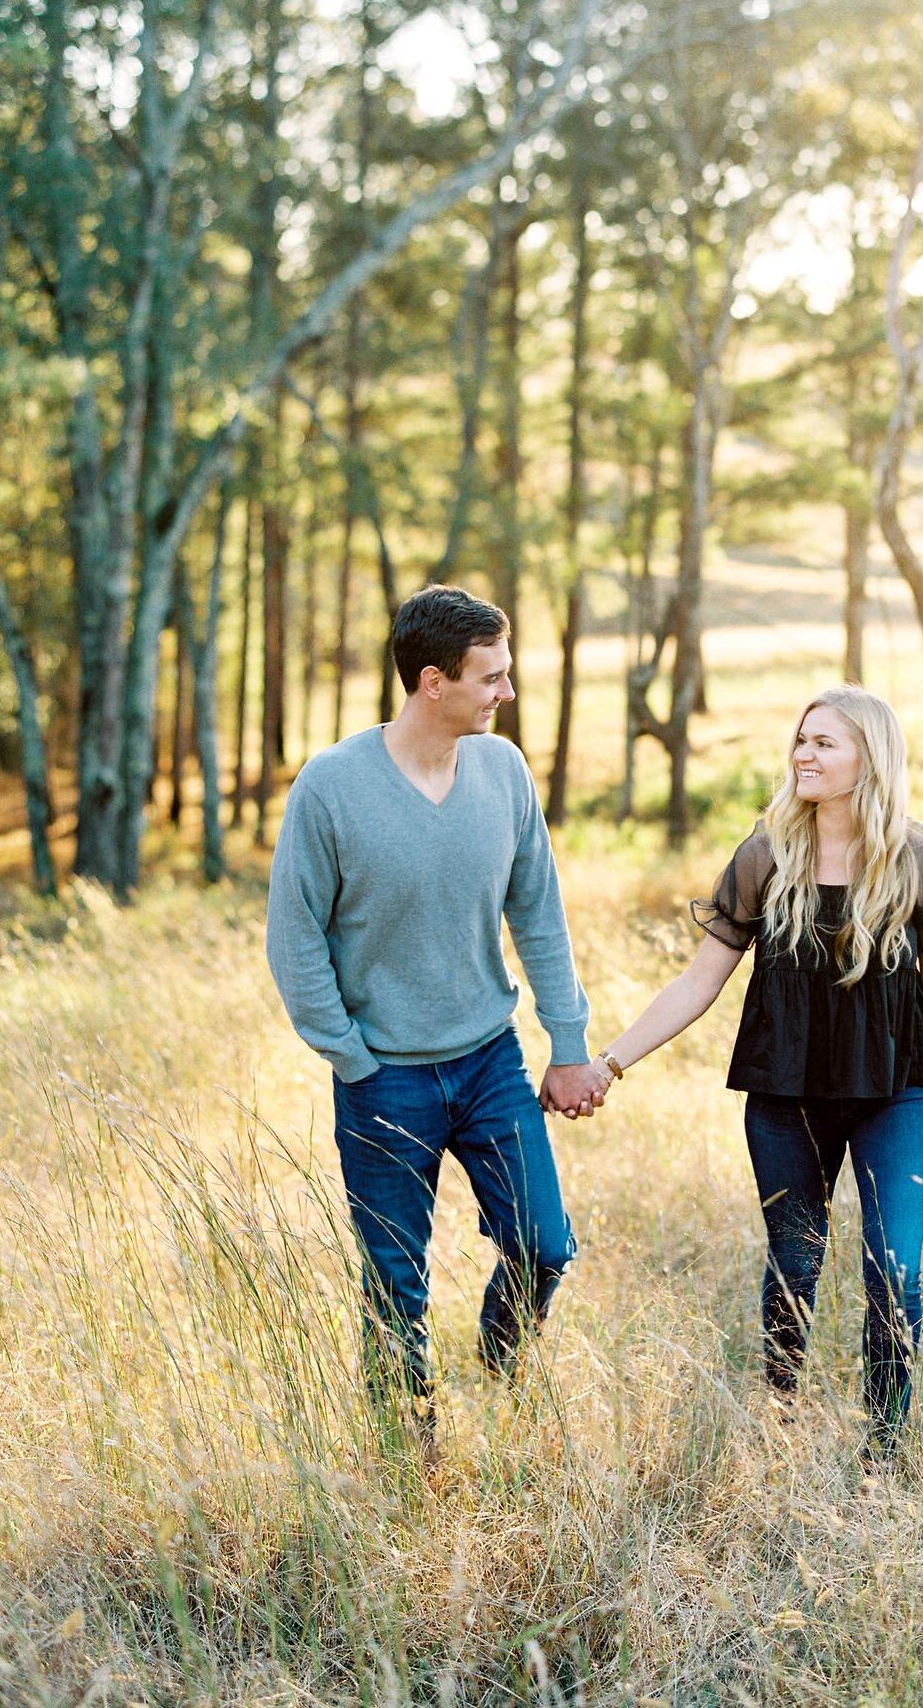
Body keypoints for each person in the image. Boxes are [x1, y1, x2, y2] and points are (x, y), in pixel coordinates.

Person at [586, 685, 923, 1459]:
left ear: (871, 756)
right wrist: (609, 1062)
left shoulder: (922, 866)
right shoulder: (766, 857)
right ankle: (782, 1418)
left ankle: (884, 1447)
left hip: (901, 1094)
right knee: (795, 1261)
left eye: (825, 743)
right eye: (801, 740)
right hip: (786, 1095)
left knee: (892, 1263)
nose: (804, 753)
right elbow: (699, 982)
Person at [266, 585, 604, 1451]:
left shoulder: (504, 772)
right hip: (385, 1079)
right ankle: (407, 1458)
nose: (507, 692)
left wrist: (567, 1045)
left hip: (490, 1059)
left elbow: (540, 914)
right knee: (394, 1284)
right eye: (490, 677)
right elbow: (295, 937)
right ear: (431, 682)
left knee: (544, 1246)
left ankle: (499, 1370)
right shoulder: (332, 788)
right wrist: (349, 1056)